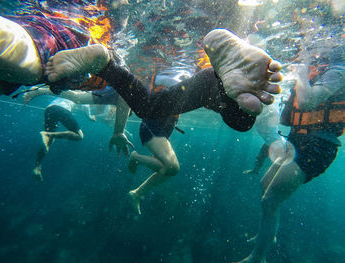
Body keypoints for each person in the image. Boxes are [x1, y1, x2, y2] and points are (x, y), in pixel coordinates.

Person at [44, 29, 283, 132]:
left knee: (149, 107)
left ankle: (105, 63)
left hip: (211, 80)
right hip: (217, 86)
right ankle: (104, 65)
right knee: (242, 122)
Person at [236, 46, 345, 263]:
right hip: (298, 140)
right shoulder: (322, 71)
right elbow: (292, 113)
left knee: (270, 200)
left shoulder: (338, 72)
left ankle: (258, 257)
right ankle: (269, 232)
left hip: (318, 145)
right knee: (265, 184)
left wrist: (302, 72)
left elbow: (306, 102)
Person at [127, 72, 187, 215]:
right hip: (152, 126)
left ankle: (136, 194)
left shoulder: (187, 78)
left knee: (166, 170)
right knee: (172, 168)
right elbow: (161, 81)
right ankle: (135, 157)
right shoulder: (170, 74)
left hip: (165, 126)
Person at [23, 85, 133, 155]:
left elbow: (109, 122)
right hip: (108, 89)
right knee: (77, 98)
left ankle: (40, 91)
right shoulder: (116, 106)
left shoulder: (111, 113)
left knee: (77, 99)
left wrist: (122, 132)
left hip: (107, 95)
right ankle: (40, 91)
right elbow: (124, 98)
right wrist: (119, 132)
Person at [31, 97, 84, 181]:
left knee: (48, 141)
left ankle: (37, 167)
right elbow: (87, 109)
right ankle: (48, 134)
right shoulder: (82, 94)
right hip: (62, 109)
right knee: (79, 136)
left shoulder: (66, 91)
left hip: (49, 109)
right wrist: (91, 116)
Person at [243, 104, 286, 175]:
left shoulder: (271, 112)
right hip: (270, 142)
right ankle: (256, 170)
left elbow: (277, 117)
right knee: (260, 157)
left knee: (279, 164)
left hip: (278, 143)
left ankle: (281, 176)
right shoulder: (259, 113)